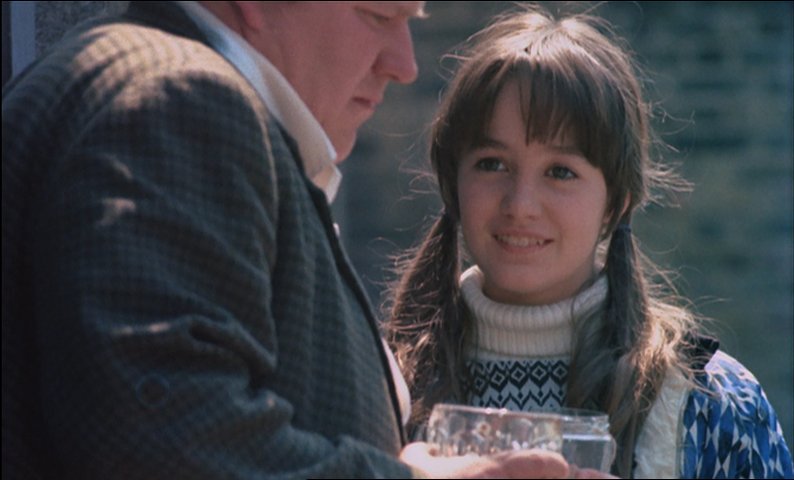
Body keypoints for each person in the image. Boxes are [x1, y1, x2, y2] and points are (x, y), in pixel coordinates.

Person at [2, 1, 575, 479]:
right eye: (377, 16)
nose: (403, 65)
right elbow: (166, 438)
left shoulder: (146, 86)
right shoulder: (180, 100)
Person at [385, 4, 794, 479]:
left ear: (616, 203)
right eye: (492, 164)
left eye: (560, 172)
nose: (520, 204)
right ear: (453, 183)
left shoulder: (712, 405)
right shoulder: (383, 387)